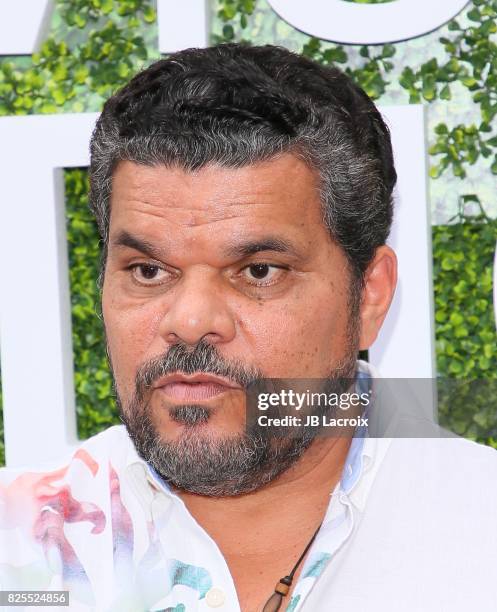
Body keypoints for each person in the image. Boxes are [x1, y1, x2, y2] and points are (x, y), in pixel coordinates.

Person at [1, 43, 496, 612]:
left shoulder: (483, 536)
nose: (189, 322)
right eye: (148, 270)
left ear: (370, 296)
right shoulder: (17, 559)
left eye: (259, 272)